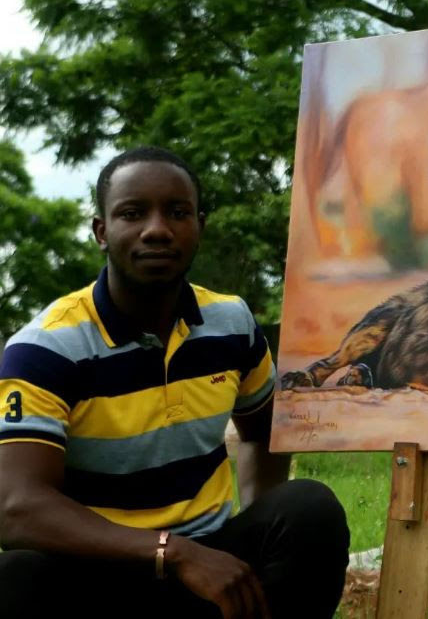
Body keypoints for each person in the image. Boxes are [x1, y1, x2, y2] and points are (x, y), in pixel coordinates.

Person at [0, 146, 350, 619]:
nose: (157, 229)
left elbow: (264, 431)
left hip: (213, 566)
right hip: (99, 572)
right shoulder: (46, 349)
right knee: (17, 573)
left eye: (178, 212)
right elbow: (16, 507)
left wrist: (252, 533)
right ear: (102, 232)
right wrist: (172, 552)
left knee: (309, 508)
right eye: (132, 213)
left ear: (199, 227)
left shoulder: (231, 323)